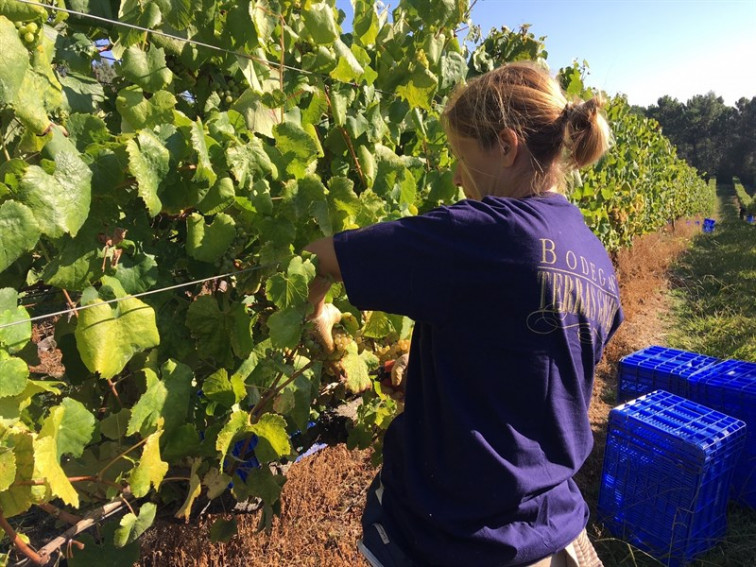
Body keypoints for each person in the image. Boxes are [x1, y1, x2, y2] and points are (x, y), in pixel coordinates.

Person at [305, 61, 623, 567]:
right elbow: (534, 381)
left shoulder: (483, 231)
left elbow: (323, 255)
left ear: (506, 144)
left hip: (464, 540)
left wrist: (318, 312)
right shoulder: (595, 258)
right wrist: (430, 383)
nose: (455, 174)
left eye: (462, 154)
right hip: (553, 533)